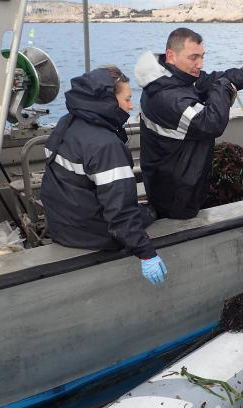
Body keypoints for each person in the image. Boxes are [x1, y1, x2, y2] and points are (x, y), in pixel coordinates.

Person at [41, 66, 167, 285]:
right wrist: (146, 253)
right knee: (153, 212)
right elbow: (120, 213)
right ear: (108, 101)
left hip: (60, 225)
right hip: (89, 234)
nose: (131, 106)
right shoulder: (106, 145)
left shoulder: (66, 122)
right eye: (127, 99)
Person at [134, 27, 243, 219]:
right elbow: (212, 123)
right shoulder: (167, 97)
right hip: (175, 196)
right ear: (171, 55)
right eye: (193, 58)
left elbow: (212, 79)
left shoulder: (175, 78)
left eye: (202, 57)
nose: (200, 64)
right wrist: (223, 89)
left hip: (182, 180)